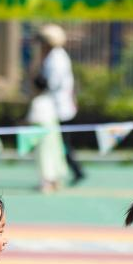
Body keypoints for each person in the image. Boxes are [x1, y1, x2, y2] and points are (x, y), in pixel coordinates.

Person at [38, 24, 85, 185]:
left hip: (59, 107)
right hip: (58, 105)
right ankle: (73, 171)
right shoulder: (54, 56)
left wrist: (39, 82)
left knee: (61, 143)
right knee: (61, 143)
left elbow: (53, 83)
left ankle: (73, 171)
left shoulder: (56, 58)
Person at [27, 74, 67, 192]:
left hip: (42, 134)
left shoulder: (37, 101)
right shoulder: (50, 100)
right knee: (54, 155)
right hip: (53, 133)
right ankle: (55, 181)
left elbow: (33, 119)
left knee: (44, 156)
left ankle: (47, 183)